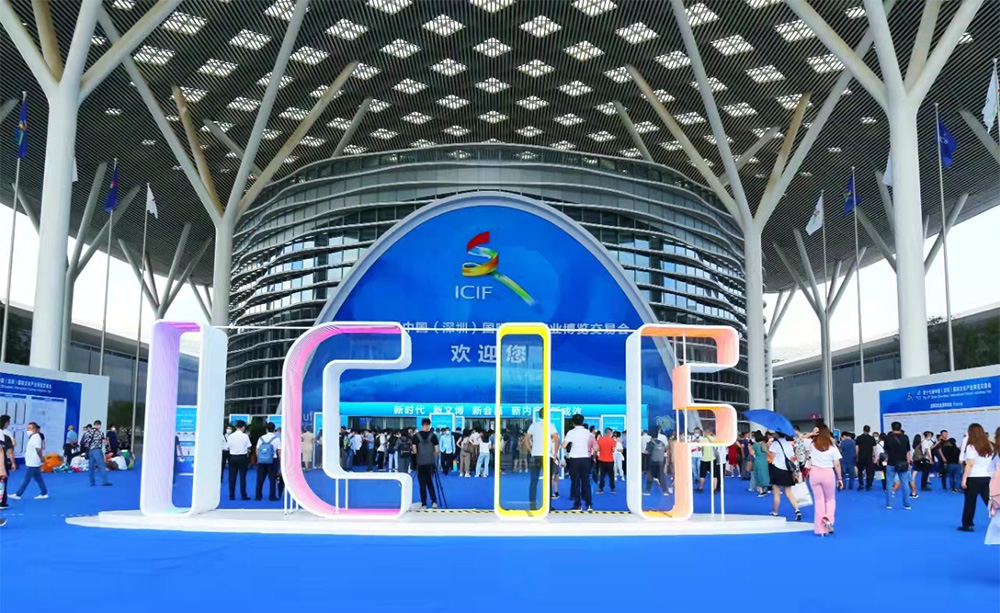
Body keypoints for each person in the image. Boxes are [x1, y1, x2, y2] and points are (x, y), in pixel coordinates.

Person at [807, 425, 843, 535]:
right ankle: (828, 518)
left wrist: (811, 434)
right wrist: (840, 478)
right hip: (828, 473)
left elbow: (800, 439)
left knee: (819, 500)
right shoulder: (832, 447)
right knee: (830, 499)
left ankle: (819, 529)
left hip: (814, 473)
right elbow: (837, 464)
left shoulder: (811, 445)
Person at [958, 423, 994, 532]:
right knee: (990, 501)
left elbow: (970, 464)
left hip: (973, 477)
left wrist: (964, 478)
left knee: (970, 502)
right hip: (987, 476)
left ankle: (967, 524)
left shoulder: (971, 447)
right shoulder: (990, 446)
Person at [526, 410, 558, 511]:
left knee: (533, 480)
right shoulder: (550, 425)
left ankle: (532, 505)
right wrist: (555, 453)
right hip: (547, 455)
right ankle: (548, 506)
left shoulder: (533, 426)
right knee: (548, 481)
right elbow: (556, 439)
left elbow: (526, 439)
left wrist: (531, 450)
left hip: (535, 455)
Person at [767, 431, 802, 521]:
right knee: (789, 493)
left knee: (776, 492)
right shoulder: (788, 444)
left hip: (777, 469)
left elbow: (772, 456)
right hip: (787, 470)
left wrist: (766, 449)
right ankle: (797, 510)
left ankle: (775, 512)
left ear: (777, 434)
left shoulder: (775, 444)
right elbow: (792, 457)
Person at [9, 422, 48, 500]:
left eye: (29, 428)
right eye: (27, 428)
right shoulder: (33, 437)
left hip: (33, 462)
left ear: (35, 429)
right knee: (38, 478)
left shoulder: (36, 437)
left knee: (27, 479)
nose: (28, 430)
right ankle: (44, 493)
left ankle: (18, 494)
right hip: (32, 461)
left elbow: (38, 449)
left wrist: (41, 458)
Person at [563, 413, 594, 511]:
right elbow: (594, 446)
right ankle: (589, 505)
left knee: (575, 482)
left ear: (573, 423)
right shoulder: (588, 433)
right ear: (583, 422)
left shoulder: (571, 432)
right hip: (585, 459)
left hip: (574, 459)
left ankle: (578, 505)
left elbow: (564, 445)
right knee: (586, 482)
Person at [883, 422, 914, 509]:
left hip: (891, 463)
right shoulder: (905, 437)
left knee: (889, 484)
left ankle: (889, 504)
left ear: (891, 428)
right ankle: (907, 504)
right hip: (903, 462)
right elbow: (908, 451)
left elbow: (886, 451)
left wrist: (886, 459)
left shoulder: (887, 438)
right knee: (905, 483)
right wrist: (908, 462)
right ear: (900, 428)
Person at [411, 418, 439, 509]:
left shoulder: (415, 436)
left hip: (420, 463)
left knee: (422, 484)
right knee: (430, 483)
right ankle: (434, 502)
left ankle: (424, 504)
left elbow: (414, 451)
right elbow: (437, 450)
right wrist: (432, 457)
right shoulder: (433, 436)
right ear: (429, 425)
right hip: (430, 463)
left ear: (422, 425)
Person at [81, 420, 111, 487]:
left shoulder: (88, 432)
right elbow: (104, 442)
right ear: (98, 425)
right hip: (97, 450)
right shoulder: (100, 433)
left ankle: (92, 482)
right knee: (101, 466)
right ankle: (104, 481)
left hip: (90, 451)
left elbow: (85, 442)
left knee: (91, 467)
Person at [255, 422, 280, 501]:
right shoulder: (276, 439)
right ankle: (272, 496)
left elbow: (257, 449)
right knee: (272, 479)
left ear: (266, 429)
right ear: (274, 429)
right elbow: (279, 451)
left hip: (262, 461)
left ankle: (258, 496)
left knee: (260, 479)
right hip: (272, 460)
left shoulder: (261, 438)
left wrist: (259, 458)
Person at [227, 420, 251, 501]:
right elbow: (248, 446)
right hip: (242, 457)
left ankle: (231, 495)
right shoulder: (245, 436)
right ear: (243, 427)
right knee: (242, 477)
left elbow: (228, 447)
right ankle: (243, 495)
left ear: (236, 427)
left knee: (232, 477)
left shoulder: (230, 436)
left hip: (232, 457)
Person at [644, 426, 667, 495]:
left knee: (650, 476)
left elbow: (646, 452)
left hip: (652, 462)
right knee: (661, 477)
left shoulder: (650, 443)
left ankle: (647, 491)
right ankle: (665, 491)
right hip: (661, 462)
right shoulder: (662, 443)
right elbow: (665, 450)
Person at [855, 426, 877, 491]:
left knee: (860, 471)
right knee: (869, 472)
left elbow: (857, 448)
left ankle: (861, 484)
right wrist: (876, 457)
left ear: (863, 430)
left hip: (861, 457)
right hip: (869, 457)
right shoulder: (872, 439)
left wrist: (857, 456)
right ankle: (869, 485)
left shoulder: (859, 438)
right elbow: (874, 449)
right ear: (869, 430)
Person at [0, 417, 15, 510]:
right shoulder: (4, 434)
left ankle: (2, 502)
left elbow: (2, 451)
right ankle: (2, 502)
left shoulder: (3, 434)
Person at [750, 432, 770, 497]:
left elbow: (752, 453)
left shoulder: (755, 445)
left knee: (758, 476)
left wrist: (750, 448)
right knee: (764, 475)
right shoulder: (766, 444)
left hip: (758, 461)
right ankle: (764, 490)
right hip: (765, 461)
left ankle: (761, 491)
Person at [698, 428, 716, 493]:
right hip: (713, 458)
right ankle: (714, 489)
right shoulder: (714, 439)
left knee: (702, 475)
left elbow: (699, 448)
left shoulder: (703, 440)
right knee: (714, 475)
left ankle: (700, 488)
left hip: (704, 459)